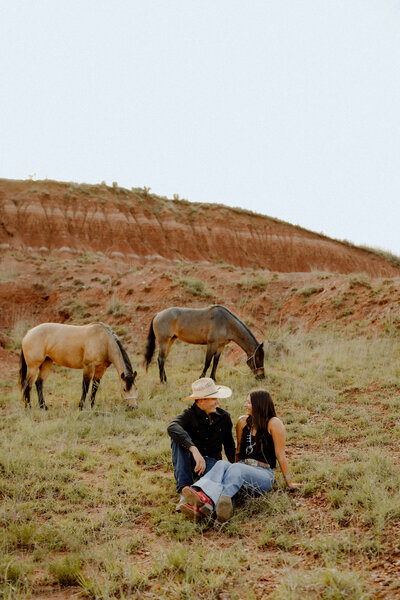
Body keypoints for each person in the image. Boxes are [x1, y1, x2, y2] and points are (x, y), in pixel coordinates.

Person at [180, 389, 301, 521]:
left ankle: (208, 504)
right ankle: (206, 501)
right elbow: (238, 451)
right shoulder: (242, 422)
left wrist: (289, 482)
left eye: (248, 402)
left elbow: (280, 454)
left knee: (237, 468)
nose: (245, 405)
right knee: (222, 464)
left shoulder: (274, 423)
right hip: (241, 470)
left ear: (259, 404)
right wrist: (230, 470)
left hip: (263, 474)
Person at [167, 377, 236, 512]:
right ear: (201, 400)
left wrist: (236, 468)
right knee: (178, 437)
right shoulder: (188, 415)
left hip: (212, 464)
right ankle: (185, 491)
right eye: (213, 399)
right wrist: (194, 450)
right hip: (189, 462)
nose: (217, 402)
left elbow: (229, 445)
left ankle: (202, 501)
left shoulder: (224, 417)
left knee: (218, 479)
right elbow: (172, 427)